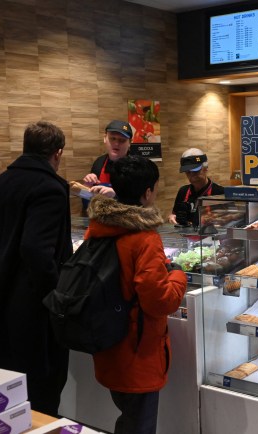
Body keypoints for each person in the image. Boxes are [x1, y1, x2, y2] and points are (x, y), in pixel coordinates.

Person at [0, 121, 72, 416]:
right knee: (43, 392)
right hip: (34, 311)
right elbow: (35, 249)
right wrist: (54, 295)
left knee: (7, 392)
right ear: (57, 153)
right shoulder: (50, 188)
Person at [86, 155, 187, 434]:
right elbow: (159, 301)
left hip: (107, 342)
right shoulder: (143, 238)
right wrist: (178, 275)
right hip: (137, 349)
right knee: (139, 423)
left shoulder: (97, 229)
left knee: (126, 416)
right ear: (147, 193)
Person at [168, 148, 224, 226]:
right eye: (188, 171)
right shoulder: (183, 191)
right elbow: (174, 214)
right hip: (186, 237)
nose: (191, 175)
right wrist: (172, 217)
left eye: (195, 171)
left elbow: (231, 219)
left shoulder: (220, 192)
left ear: (206, 168)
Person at [81, 120, 133, 201]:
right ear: (105, 138)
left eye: (122, 140)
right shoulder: (98, 163)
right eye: (112, 138)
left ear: (129, 143)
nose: (116, 143)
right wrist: (87, 187)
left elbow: (143, 203)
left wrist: (116, 196)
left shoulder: (138, 167)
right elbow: (88, 202)